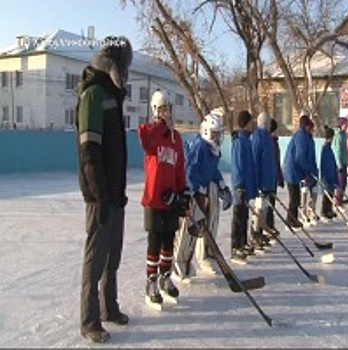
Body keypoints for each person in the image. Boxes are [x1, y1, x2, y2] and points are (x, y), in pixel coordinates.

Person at [76, 35, 132, 343]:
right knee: (95, 259)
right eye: (124, 65)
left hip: (116, 192)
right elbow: (89, 150)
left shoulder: (112, 94)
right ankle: (89, 320)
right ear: (113, 63)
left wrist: (116, 191)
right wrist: (99, 194)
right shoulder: (94, 94)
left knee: (114, 256)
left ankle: (109, 307)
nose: (126, 72)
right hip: (100, 195)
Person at [138, 90, 191, 309]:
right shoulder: (151, 131)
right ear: (154, 111)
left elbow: (179, 167)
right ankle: (150, 283)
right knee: (154, 240)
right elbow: (144, 139)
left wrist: (183, 192)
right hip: (153, 198)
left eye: (167, 109)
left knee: (169, 239)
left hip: (170, 199)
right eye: (160, 110)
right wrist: (161, 124)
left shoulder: (176, 138)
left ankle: (165, 277)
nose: (165, 114)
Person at [173, 110, 232, 280]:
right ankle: (179, 263)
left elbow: (212, 171)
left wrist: (222, 187)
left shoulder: (211, 150)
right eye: (215, 134)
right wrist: (196, 192)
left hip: (204, 191)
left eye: (219, 134)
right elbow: (189, 172)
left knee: (206, 224)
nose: (218, 138)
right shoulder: (199, 147)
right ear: (206, 132)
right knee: (189, 229)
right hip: (192, 193)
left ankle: (205, 256)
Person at [230, 110, 257, 264]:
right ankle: (235, 246)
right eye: (251, 121)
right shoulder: (240, 141)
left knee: (245, 215)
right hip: (241, 186)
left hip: (246, 185)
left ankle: (243, 242)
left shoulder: (247, 140)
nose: (252, 124)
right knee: (238, 216)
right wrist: (239, 185)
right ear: (246, 123)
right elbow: (239, 166)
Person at [283, 114, 318, 228]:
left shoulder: (303, 136)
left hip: (295, 170)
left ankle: (292, 219)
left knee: (296, 197)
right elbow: (301, 157)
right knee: (294, 197)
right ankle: (290, 220)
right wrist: (306, 172)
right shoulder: (301, 137)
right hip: (292, 171)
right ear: (307, 126)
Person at [249, 112, 277, 251]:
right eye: (266, 122)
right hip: (261, 181)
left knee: (264, 209)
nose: (268, 124)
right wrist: (257, 182)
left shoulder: (267, 137)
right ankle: (255, 234)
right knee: (259, 208)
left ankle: (260, 232)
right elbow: (255, 161)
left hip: (268, 180)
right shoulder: (258, 137)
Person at [265, 119, 284, 234]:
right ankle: (267, 226)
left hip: (272, 177)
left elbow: (276, 162)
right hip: (269, 178)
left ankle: (270, 225)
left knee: (271, 203)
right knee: (267, 204)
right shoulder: (270, 142)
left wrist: (279, 177)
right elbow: (274, 162)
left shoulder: (273, 142)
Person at [320, 126, 338, 220]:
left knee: (331, 193)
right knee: (327, 194)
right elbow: (324, 164)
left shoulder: (329, 148)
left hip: (331, 175)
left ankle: (329, 209)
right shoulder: (325, 148)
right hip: (327, 176)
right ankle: (324, 211)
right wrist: (326, 176)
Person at [332, 116, 348, 206]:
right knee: (341, 183)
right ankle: (338, 201)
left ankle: (340, 199)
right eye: (345, 124)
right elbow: (338, 151)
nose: (347, 126)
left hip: (344, 162)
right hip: (340, 163)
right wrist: (339, 164)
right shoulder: (339, 136)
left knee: (344, 183)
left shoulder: (343, 135)